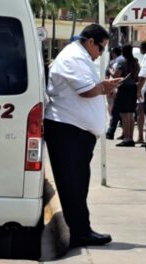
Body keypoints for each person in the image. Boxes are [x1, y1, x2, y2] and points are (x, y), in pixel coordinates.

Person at [44, 24, 122, 247]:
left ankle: (81, 229)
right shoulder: (73, 58)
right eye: (101, 48)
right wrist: (104, 87)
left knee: (78, 183)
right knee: (73, 184)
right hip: (68, 129)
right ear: (89, 42)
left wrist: (104, 87)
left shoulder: (81, 57)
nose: (101, 53)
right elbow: (86, 90)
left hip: (76, 131)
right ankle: (80, 232)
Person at [113, 44, 140, 147]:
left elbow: (117, 74)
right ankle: (131, 137)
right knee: (131, 114)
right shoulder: (135, 61)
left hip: (124, 88)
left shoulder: (121, 61)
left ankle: (126, 138)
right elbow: (137, 74)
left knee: (124, 114)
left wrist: (112, 72)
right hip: (133, 87)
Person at [105, 46, 123, 140]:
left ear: (113, 53)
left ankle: (111, 131)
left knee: (113, 109)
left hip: (114, 87)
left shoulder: (113, 62)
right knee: (125, 112)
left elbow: (108, 75)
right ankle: (124, 132)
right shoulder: (129, 61)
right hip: (126, 89)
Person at [135, 41, 146, 145]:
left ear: (142, 48)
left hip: (144, 89)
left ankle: (141, 136)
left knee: (140, 112)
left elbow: (143, 75)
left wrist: (138, 90)